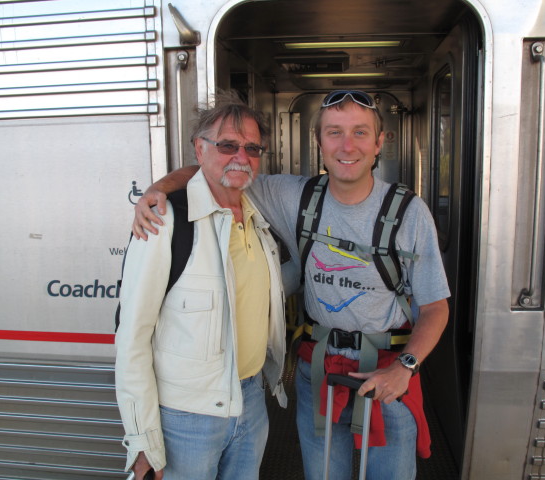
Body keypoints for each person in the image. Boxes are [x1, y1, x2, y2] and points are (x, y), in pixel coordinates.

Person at [132, 90, 450, 479]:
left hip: (388, 377)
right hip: (318, 374)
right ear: (319, 143)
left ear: (380, 142)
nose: (347, 146)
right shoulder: (294, 195)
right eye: (334, 133)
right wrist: (160, 189)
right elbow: (216, 172)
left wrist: (405, 368)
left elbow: (435, 307)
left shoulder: (409, 212)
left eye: (360, 133)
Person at [115, 93, 288, 480]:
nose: (241, 156)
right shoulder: (164, 221)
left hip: (252, 404)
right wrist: (143, 439)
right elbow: (132, 335)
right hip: (185, 421)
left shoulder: (259, 219)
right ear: (200, 148)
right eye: (227, 145)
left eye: (252, 148)